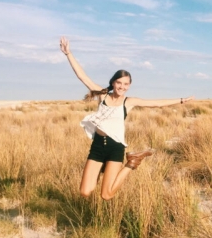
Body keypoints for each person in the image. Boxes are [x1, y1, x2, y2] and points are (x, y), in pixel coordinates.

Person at [60, 37, 193, 200]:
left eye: (126, 84)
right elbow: (83, 77)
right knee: (85, 191)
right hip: (97, 146)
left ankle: (132, 162)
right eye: (119, 83)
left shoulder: (129, 102)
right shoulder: (102, 95)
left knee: (106, 195)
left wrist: (180, 100)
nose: (122, 87)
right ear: (113, 83)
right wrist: (68, 54)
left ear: (129, 86)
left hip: (115, 148)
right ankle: (107, 169)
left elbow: (156, 103)